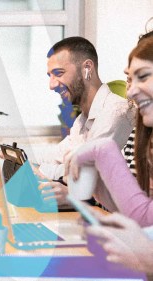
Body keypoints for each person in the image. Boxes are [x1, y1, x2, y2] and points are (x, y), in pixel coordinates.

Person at [65, 35, 153, 226]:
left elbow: (145, 217)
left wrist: (103, 152)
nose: (129, 91)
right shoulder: (142, 132)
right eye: (129, 78)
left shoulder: (119, 113)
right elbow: (143, 214)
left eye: (143, 76)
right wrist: (101, 193)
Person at [37, 36, 136, 205]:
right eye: (49, 76)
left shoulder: (116, 112)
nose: (51, 85)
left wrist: (46, 171)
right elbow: (54, 158)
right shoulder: (83, 119)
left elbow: (82, 175)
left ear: (87, 68)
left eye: (58, 73)